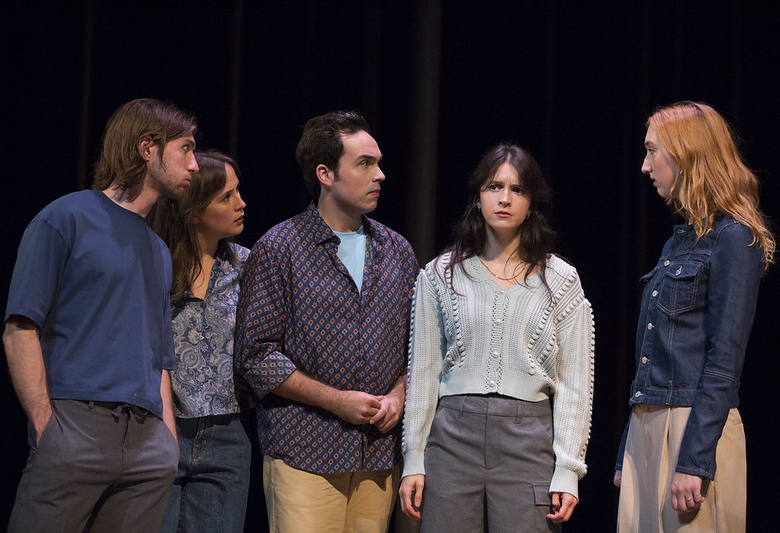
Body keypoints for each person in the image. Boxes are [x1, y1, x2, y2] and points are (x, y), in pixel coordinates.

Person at [2, 98, 199, 532]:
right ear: (148, 147)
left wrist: (166, 442)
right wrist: (47, 428)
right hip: (76, 426)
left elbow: (159, 357)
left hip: (147, 441)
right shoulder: (65, 218)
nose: (195, 165)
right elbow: (20, 328)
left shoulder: (159, 250)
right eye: (185, 149)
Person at [234, 111, 419, 533]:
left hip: (377, 455)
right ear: (325, 173)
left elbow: (420, 346)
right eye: (365, 164)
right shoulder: (281, 247)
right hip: (305, 451)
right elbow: (256, 355)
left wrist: (398, 395)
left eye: (379, 162)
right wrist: (336, 400)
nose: (380, 175)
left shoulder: (397, 250)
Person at [399, 144, 595, 532]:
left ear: (532, 203)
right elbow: (422, 372)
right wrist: (413, 458)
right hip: (452, 438)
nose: (504, 198)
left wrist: (568, 467)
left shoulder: (561, 281)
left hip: (529, 441)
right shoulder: (440, 275)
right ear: (478, 197)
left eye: (518, 190)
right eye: (494, 186)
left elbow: (575, 385)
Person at [614, 101, 775, 532]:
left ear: (684, 155)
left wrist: (695, 459)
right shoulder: (677, 245)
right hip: (648, 425)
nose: (645, 166)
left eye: (652, 151)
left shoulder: (733, 239)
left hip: (692, 429)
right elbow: (652, 354)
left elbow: (724, 362)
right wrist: (627, 449)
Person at [148, 151, 252, 533]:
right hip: (159, 430)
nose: (241, 204)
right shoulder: (155, 266)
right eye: (226, 197)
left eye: (238, 192)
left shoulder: (248, 268)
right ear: (193, 211)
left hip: (226, 436)